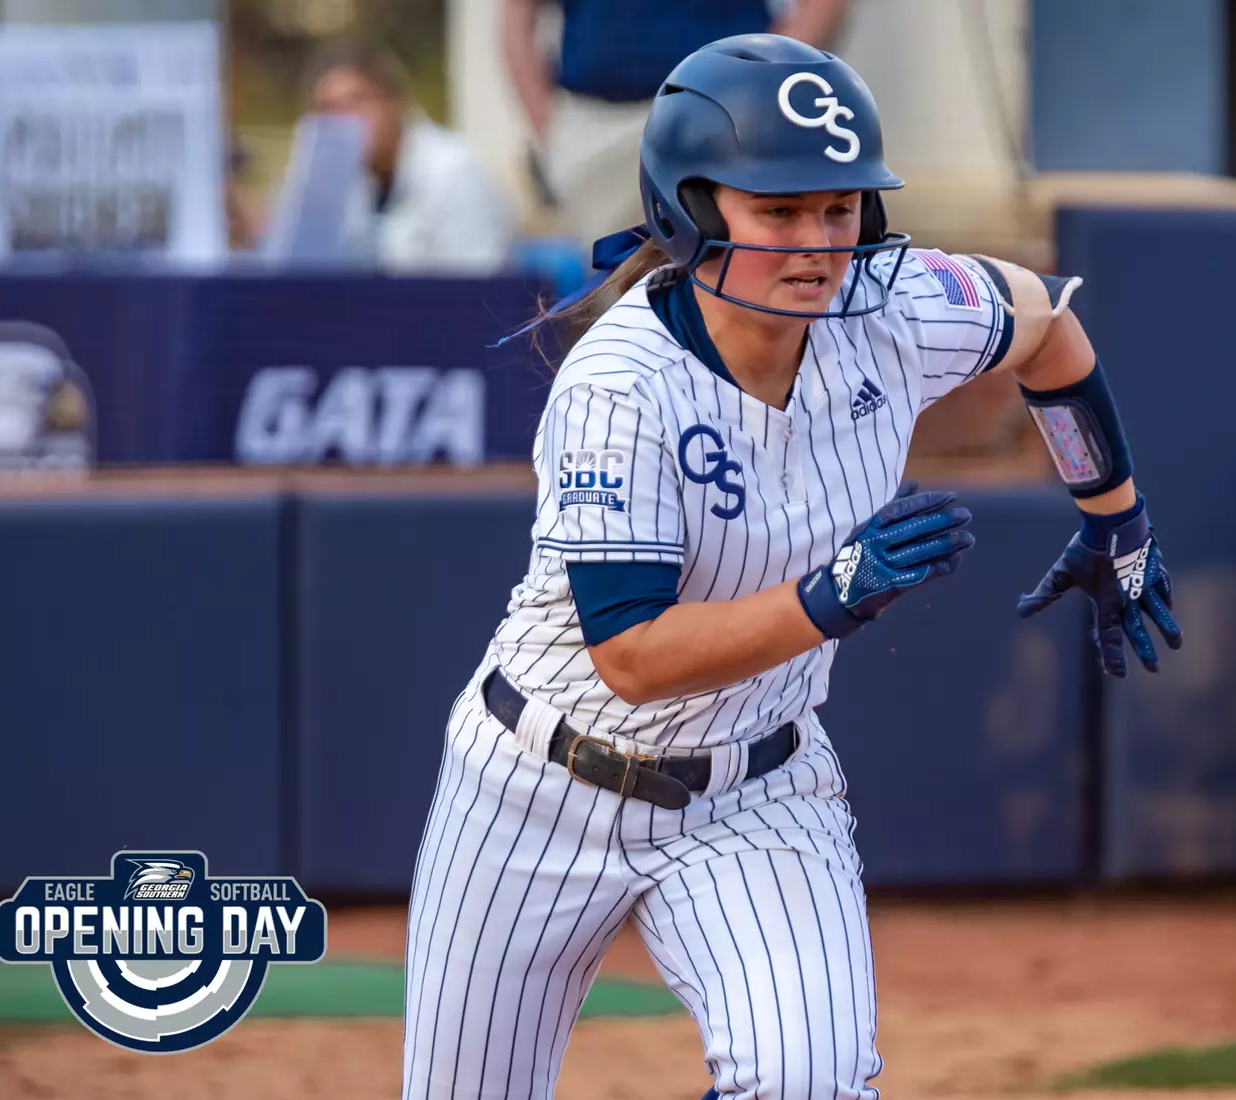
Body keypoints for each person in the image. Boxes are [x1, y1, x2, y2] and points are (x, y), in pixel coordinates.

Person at [402, 34, 1180, 1099]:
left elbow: (1049, 328)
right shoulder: (620, 384)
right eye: (779, 210)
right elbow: (630, 652)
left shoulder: (897, 304)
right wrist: (834, 594)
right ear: (691, 210)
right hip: (534, 784)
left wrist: (1115, 517)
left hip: (755, 791)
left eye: (840, 206)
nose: (818, 241)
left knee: (811, 1082)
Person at [502, 0, 850, 244]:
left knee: (727, 279)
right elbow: (518, 14)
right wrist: (553, 131)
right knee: (615, 294)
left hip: (728, 121)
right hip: (597, 129)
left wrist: (765, 90)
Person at [305, 38, 517, 274]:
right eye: (328, 108)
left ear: (394, 100)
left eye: (357, 101)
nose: (343, 120)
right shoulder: (341, 183)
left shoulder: (454, 171)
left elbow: (482, 292)